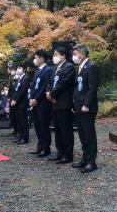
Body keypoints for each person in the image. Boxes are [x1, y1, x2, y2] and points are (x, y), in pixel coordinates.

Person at [72, 44, 99, 173]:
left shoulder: (92, 66)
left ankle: (91, 162)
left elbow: (93, 88)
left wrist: (86, 105)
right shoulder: (80, 67)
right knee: (82, 135)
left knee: (89, 135)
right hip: (78, 107)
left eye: (75, 53)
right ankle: (85, 158)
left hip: (87, 108)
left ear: (81, 54)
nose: (74, 56)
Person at [46, 47, 76, 164]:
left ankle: (68, 155)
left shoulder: (69, 67)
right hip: (54, 103)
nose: (54, 57)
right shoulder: (54, 69)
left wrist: (52, 95)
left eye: (56, 54)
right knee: (57, 129)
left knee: (66, 130)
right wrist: (48, 93)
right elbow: (49, 82)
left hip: (63, 103)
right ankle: (60, 152)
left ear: (63, 56)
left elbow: (63, 84)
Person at [29, 49, 52, 157]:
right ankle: (40, 146)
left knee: (44, 126)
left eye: (36, 57)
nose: (35, 60)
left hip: (42, 103)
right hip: (34, 103)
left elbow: (44, 87)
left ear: (42, 58)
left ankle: (46, 148)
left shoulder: (47, 70)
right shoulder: (37, 70)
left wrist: (36, 99)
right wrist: (31, 99)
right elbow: (34, 87)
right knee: (37, 125)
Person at [11, 64, 30, 145]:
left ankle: (25, 138)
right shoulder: (19, 79)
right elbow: (16, 90)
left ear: (24, 70)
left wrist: (16, 100)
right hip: (17, 102)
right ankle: (20, 137)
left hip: (22, 102)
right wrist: (13, 99)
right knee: (18, 121)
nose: (18, 69)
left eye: (20, 68)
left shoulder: (25, 78)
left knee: (23, 121)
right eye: (17, 68)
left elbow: (22, 91)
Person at [7, 66, 20, 138]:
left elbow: (16, 90)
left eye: (12, 70)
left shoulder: (18, 78)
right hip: (11, 99)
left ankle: (18, 131)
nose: (11, 71)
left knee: (17, 117)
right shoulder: (12, 79)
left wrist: (14, 99)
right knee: (13, 116)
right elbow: (10, 90)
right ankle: (15, 130)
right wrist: (9, 98)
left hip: (16, 100)